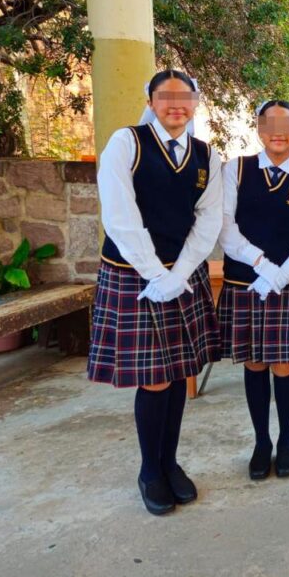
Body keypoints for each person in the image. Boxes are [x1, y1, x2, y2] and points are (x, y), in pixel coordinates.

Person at [88, 69, 222, 516]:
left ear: (196, 103)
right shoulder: (126, 143)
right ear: (151, 100)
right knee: (154, 376)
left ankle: (170, 462)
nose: (176, 104)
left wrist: (178, 273)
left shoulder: (206, 155)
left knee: (179, 370)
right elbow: (119, 215)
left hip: (181, 275)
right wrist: (154, 274)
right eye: (166, 96)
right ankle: (150, 471)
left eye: (185, 96)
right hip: (135, 275)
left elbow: (208, 218)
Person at [218, 100, 289, 480]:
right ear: (260, 129)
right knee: (254, 362)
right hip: (244, 281)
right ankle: (261, 441)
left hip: (286, 284)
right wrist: (261, 265)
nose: (278, 132)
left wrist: (282, 274)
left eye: (286, 125)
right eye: (270, 124)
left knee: (284, 364)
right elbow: (225, 227)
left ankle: (287, 439)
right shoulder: (235, 170)